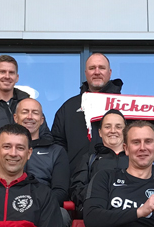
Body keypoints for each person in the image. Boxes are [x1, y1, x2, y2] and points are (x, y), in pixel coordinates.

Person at [52, 53, 124, 184]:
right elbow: (57, 146)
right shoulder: (69, 107)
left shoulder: (126, 105)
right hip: (77, 184)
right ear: (85, 73)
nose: (97, 72)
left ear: (110, 72)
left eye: (101, 68)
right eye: (92, 68)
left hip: (122, 183)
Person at [69, 109, 129, 212]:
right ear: (100, 132)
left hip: (131, 215)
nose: (113, 130)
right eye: (107, 126)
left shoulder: (136, 157)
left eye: (118, 127)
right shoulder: (89, 158)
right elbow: (76, 191)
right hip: (97, 214)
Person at [16, 98, 69, 205]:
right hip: (7, 206)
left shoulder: (56, 151)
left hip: (43, 207)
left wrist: (35, 205)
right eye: (25, 112)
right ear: (15, 118)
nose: (29, 117)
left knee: (62, 215)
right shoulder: (3, 149)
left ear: (42, 120)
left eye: (35, 113)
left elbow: (60, 191)